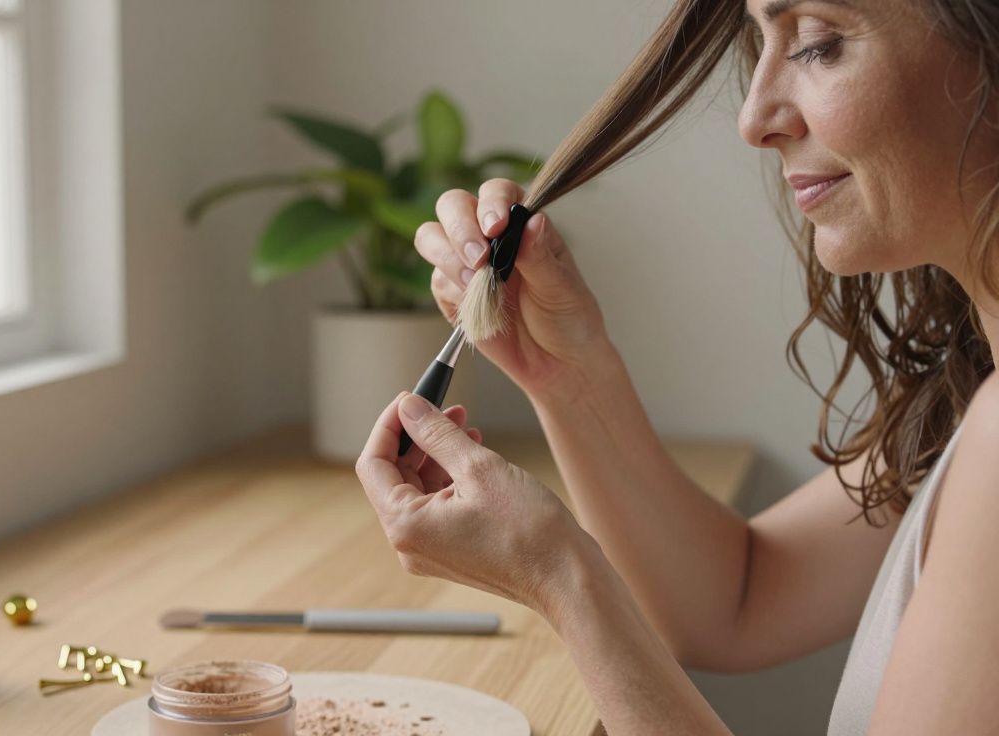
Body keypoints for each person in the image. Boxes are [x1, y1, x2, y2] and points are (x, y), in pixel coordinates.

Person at [353, 0, 999, 733]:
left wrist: (561, 577)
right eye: (761, 42)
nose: (754, 117)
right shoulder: (977, 389)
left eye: (820, 44)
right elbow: (738, 599)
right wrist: (566, 373)